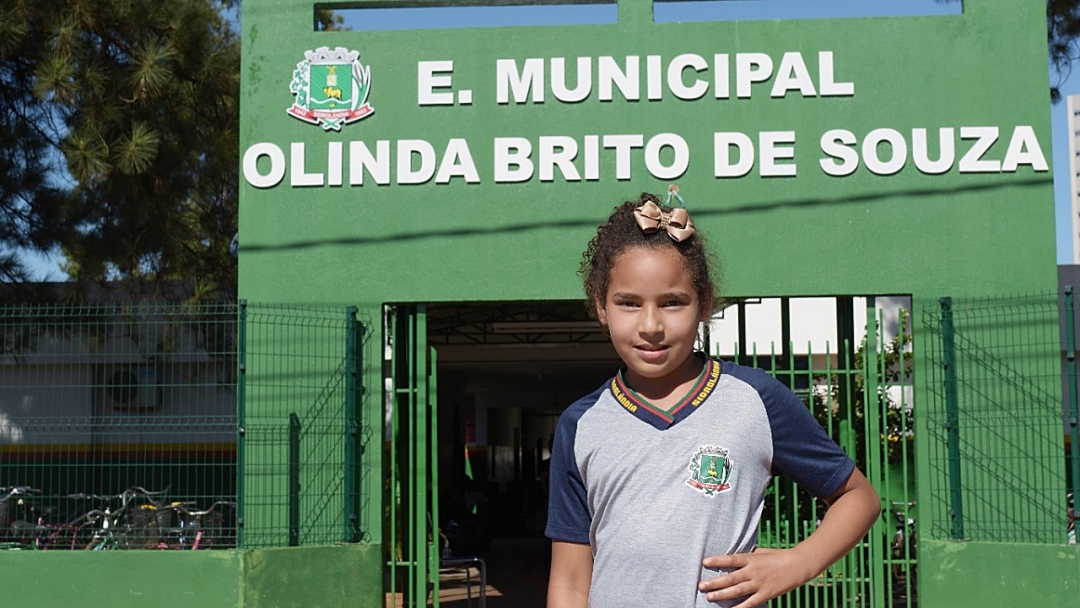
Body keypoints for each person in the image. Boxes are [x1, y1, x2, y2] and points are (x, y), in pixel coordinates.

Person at [545, 192, 881, 608]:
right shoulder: (581, 425)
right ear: (601, 305)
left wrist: (799, 562)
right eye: (629, 304)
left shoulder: (755, 400)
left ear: (703, 303)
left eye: (672, 303)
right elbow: (571, 580)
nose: (651, 325)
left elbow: (859, 498)